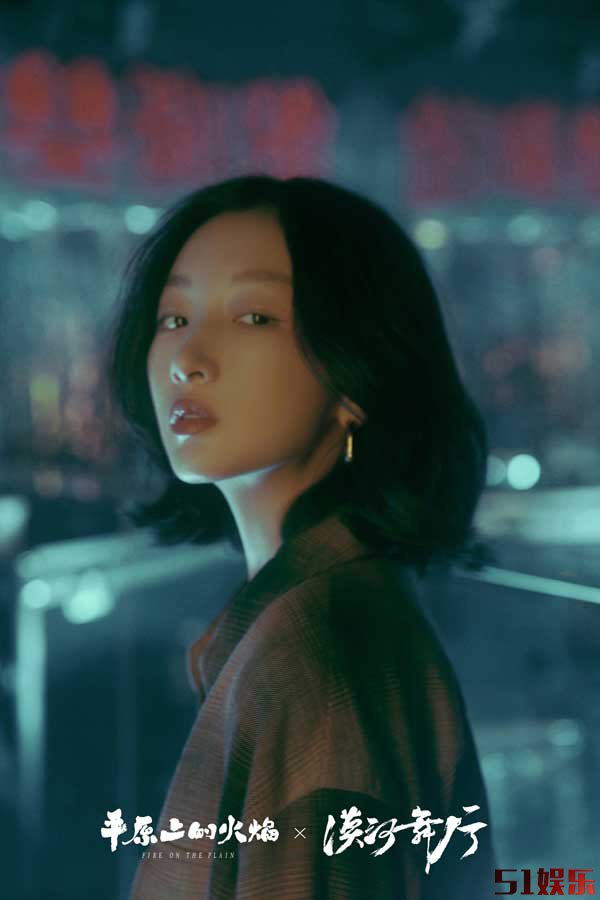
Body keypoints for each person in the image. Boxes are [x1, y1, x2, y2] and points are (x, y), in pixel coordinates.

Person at [106, 174, 496, 898]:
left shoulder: (314, 655)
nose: (189, 357)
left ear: (355, 378)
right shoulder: (325, 612)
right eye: (173, 317)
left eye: (253, 317)